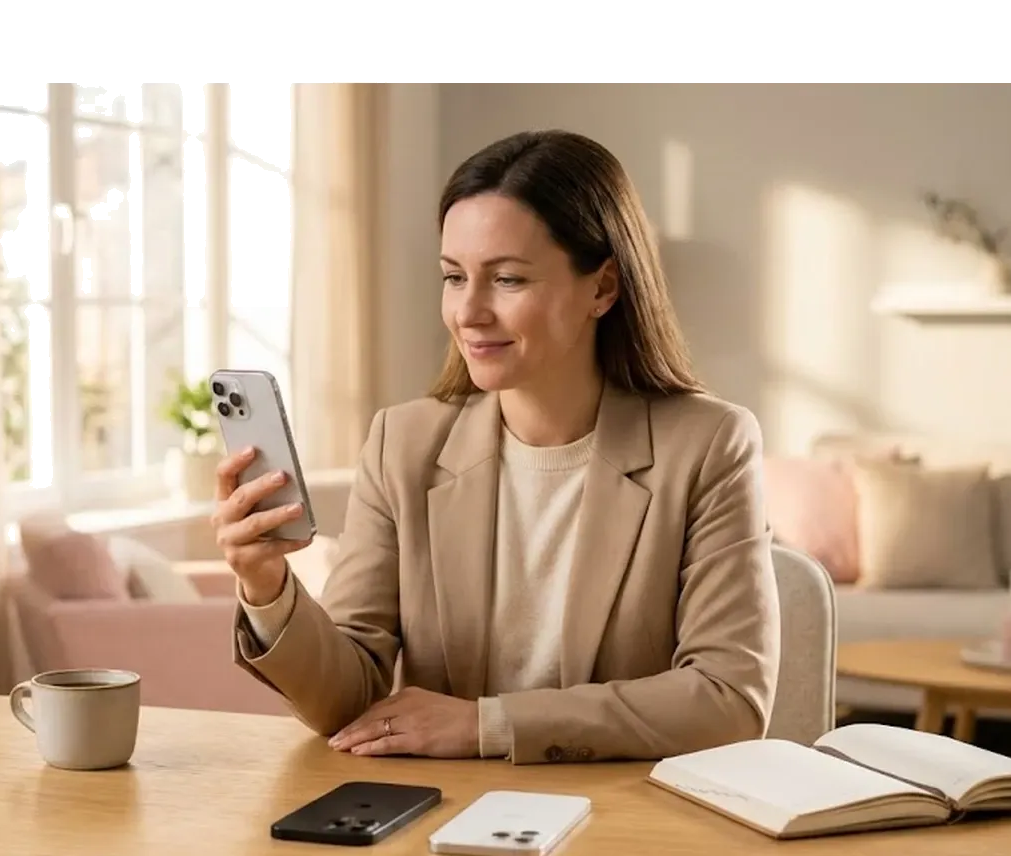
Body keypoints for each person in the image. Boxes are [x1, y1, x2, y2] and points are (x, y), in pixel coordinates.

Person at [211, 128, 780, 765]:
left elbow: (728, 700)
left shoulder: (707, 446)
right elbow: (349, 702)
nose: (469, 312)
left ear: (603, 288)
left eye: (507, 280)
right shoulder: (403, 444)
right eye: (454, 277)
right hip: (443, 822)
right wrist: (267, 587)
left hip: (632, 826)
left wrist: (490, 725)